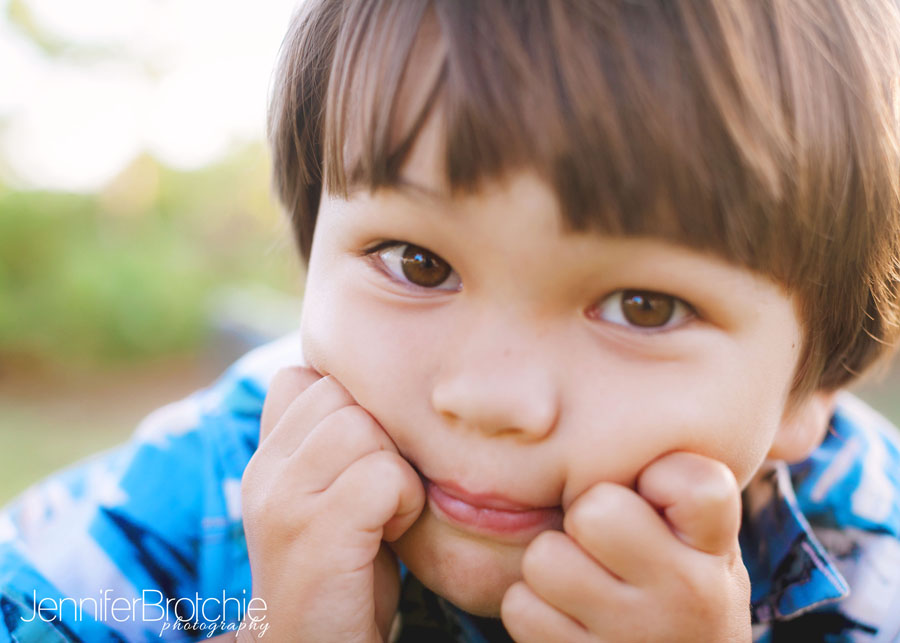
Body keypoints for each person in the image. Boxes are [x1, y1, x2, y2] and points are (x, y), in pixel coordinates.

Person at [3, 0, 900, 640]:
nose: (487, 396)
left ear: (809, 385)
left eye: (643, 306)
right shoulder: (200, 490)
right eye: (417, 263)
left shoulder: (871, 550)